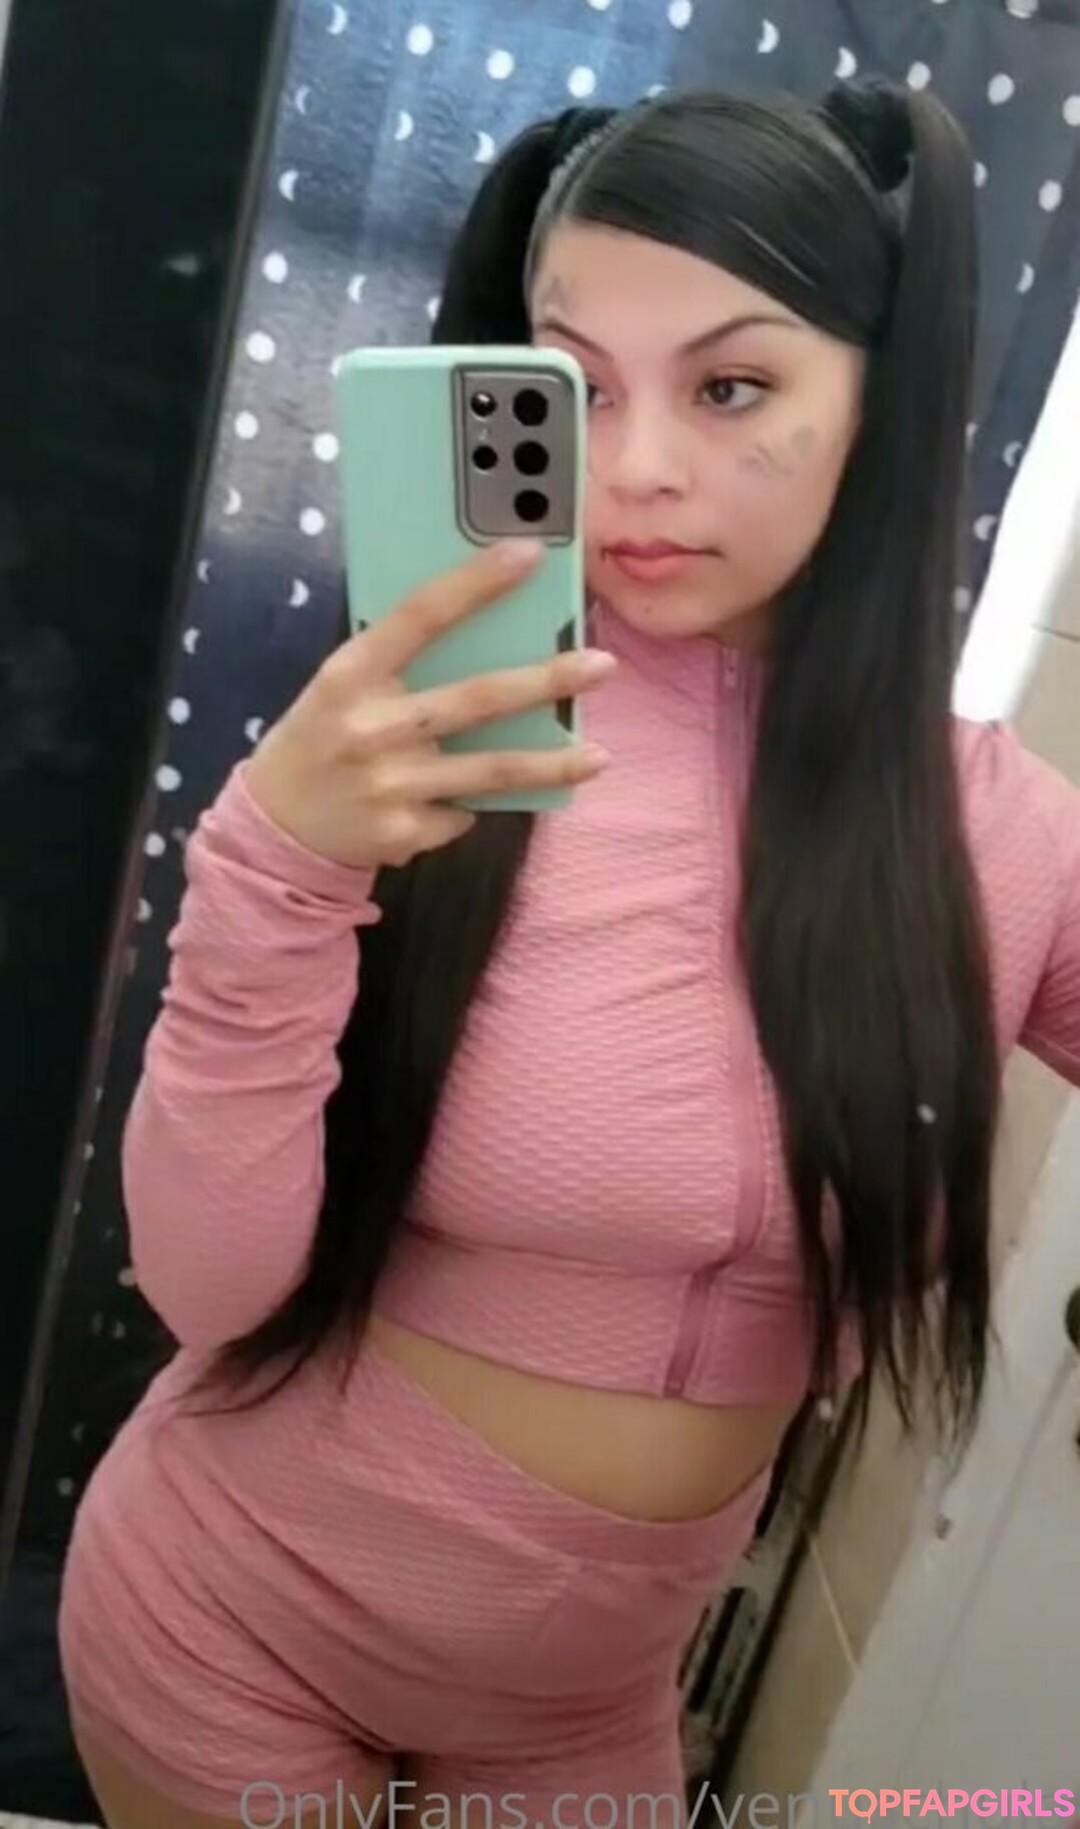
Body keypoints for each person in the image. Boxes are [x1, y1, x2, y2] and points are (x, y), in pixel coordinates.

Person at [59, 78, 1080, 1829]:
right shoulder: (414, 749)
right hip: (231, 1626)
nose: (637, 472)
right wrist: (273, 866)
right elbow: (206, 1294)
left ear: (881, 403)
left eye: (732, 387)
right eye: (570, 389)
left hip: (582, 1709)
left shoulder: (1003, 835)